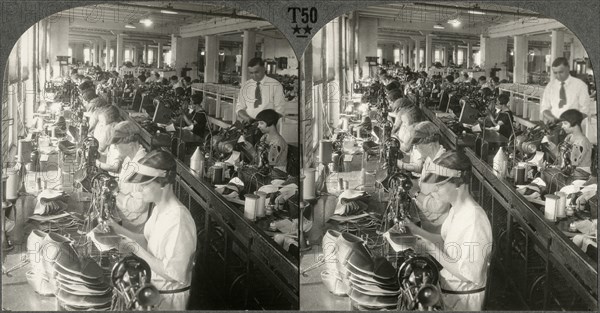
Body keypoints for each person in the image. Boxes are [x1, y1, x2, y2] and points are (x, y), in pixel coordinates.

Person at [109, 150, 197, 310]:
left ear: (164, 183)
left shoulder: (178, 220)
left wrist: (133, 248)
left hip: (167, 299)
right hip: (153, 289)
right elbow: (147, 241)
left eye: (145, 184)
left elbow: (172, 273)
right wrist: (117, 229)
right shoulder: (158, 209)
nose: (140, 189)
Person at [404, 151, 492, 311]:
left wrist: (430, 248)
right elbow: (445, 242)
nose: (434, 190)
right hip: (449, 292)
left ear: (459, 183)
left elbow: (468, 274)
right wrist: (414, 230)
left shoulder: (474, 220)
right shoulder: (456, 209)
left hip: (464, 301)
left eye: (440, 185)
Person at [109, 121, 150, 233]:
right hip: (120, 213)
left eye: (118, 144)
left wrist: (116, 192)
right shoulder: (128, 158)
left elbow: (138, 207)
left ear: (131, 145)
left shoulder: (141, 168)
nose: (115, 147)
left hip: (131, 226)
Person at [541, 57, 592, 121]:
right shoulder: (550, 86)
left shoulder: (580, 85)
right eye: (555, 73)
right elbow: (544, 108)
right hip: (554, 126)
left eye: (561, 72)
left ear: (568, 68)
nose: (558, 76)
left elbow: (585, 110)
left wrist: (570, 122)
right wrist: (553, 119)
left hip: (573, 127)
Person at [236, 57, 285, 122]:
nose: (254, 76)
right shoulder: (245, 86)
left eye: (256, 72)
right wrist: (248, 119)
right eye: (251, 73)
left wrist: (266, 124)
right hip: (249, 125)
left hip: (268, 127)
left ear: (264, 69)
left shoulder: (276, 85)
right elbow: (239, 108)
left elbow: (280, 110)